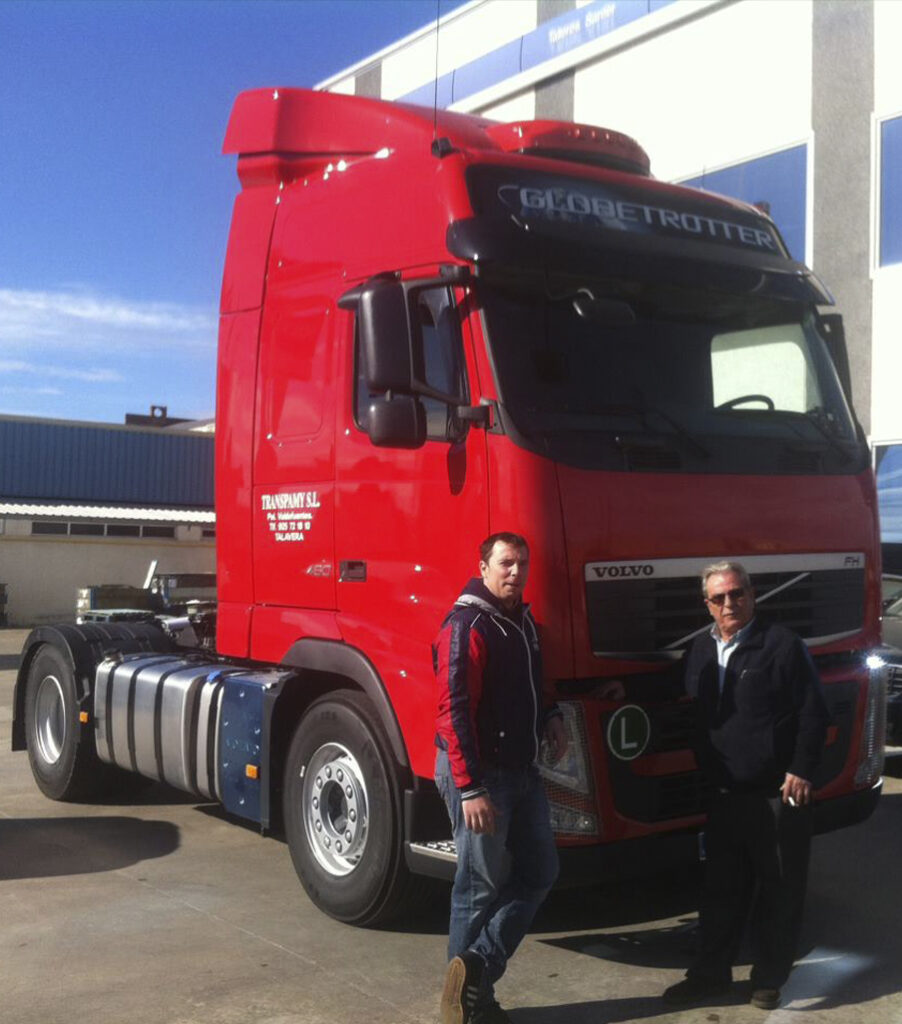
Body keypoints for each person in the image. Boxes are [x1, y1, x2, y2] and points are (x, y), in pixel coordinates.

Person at [662, 561, 829, 1011]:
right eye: (719, 597)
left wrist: (801, 769)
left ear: (753, 595)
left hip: (777, 794)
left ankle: (769, 979)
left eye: (737, 593)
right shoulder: (701, 648)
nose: (729, 603)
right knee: (720, 891)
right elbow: (671, 683)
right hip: (724, 794)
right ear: (707, 605)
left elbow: (814, 712)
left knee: (779, 890)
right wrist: (621, 688)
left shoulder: (783, 646)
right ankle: (709, 975)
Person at [433, 532, 569, 1024]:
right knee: (478, 887)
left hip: (523, 772)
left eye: (522, 563)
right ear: (483, 567)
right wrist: (470, 788)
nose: (516, 572)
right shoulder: (467, 625)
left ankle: (475, 968)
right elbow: (454, 711)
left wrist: (551, 714)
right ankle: (467, 1007)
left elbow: (533, 683)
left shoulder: (522, 622)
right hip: (483, 777)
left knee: (540, 872)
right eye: (507, 563)